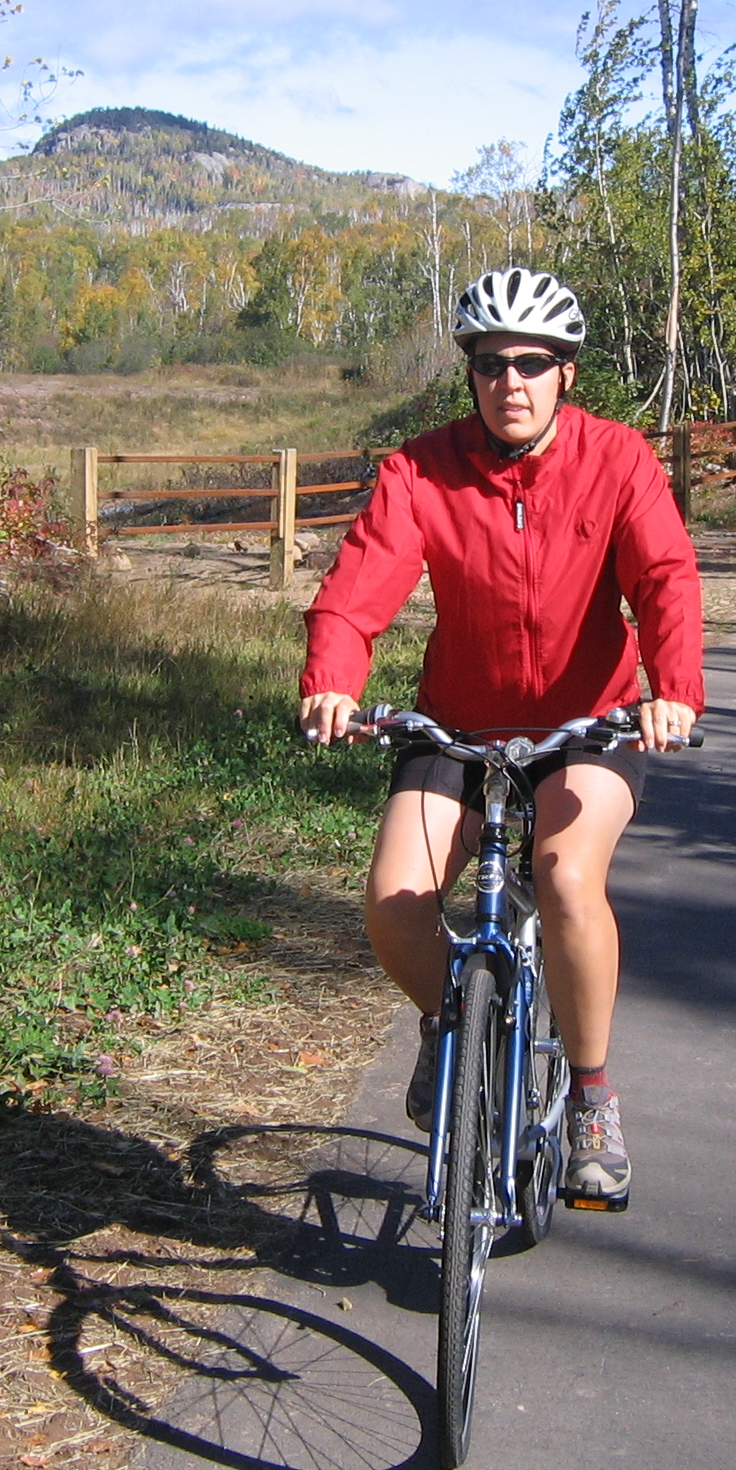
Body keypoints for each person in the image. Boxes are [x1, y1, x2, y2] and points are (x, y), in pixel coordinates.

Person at [299, 266, 704, 1208]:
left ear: (565, 371)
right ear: (471, 373)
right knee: (396, 902)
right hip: (457, 722)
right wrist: (332, 682)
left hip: (588, 725)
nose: (509, 382)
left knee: (565, 877)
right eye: (489, 364)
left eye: (531, 362)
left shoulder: (618, 461)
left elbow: (666, 578)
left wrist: (673, 690)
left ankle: (593, 1102)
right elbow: (357, 593)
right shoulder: (421, 471)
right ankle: (454, 1029)